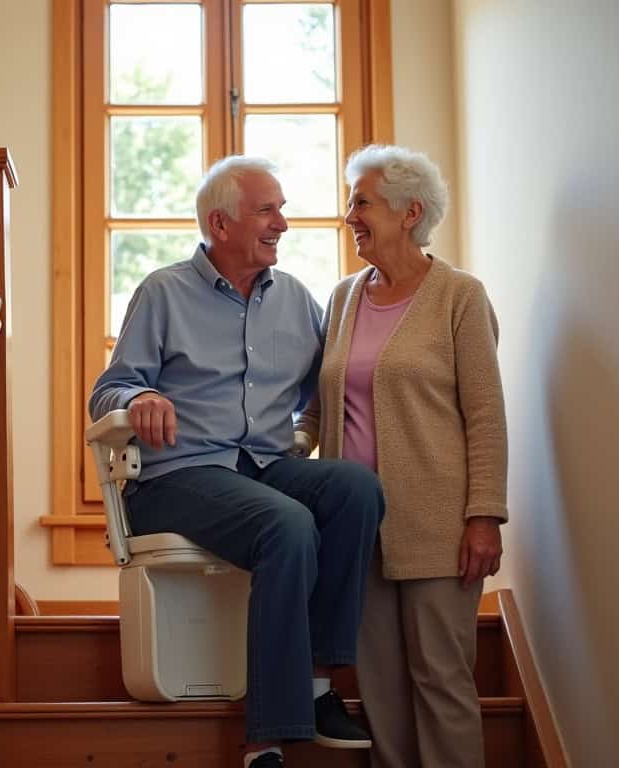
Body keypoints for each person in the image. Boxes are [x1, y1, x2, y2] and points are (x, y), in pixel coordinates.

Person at [89, 155, 383, 768]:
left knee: (354, 489)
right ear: (220, 225)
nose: (283, 222)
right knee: (289, 523)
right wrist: (140, 395)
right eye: (267, 210)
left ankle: (319, 683)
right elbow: (107, 391)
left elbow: (322, 386)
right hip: (178, 476)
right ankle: (265, 740)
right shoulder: (164, 292)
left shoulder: (297, 300)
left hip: (266, 467)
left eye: (281, 208)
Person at [296, 144, 508, 768]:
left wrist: (484, 515)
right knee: (381, 691)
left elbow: (487, 415)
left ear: (410, 211)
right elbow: (315, 408)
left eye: (360, 202)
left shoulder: (459, 297)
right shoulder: (342, 298)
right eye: (349, 203)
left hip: (439, 526)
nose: (349, 216)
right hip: (356, 527)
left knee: (440, 682)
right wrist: (261, 460)